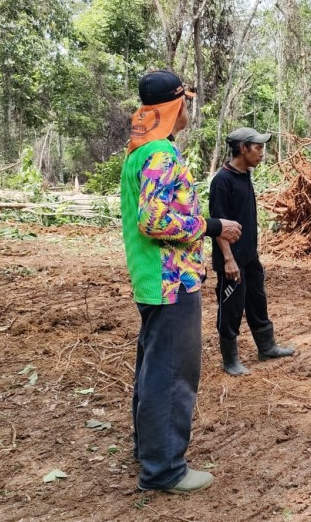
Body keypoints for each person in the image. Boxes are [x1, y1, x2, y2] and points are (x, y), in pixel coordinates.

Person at [120, 69, 242, 493]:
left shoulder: (139, 151)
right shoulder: (161, 155)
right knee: (172, 373)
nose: (188, 108)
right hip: (170, 281)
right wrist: (212, 226)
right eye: (185, 101)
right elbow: (153, 218)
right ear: (174, 106)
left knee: (154, 368)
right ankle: (165, 470)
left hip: (153, 279)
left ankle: (149, 450)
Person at [210, 127, 295, 376]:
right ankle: (230, 360)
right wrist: (228, 259)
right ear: (242, 148)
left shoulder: (244, 174)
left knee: (258, 301)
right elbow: (218, 223)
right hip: (231, 260)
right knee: (231, 306)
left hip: (249, 256)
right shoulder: (222, 181)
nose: (262, 153)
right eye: (257, 148)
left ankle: (267, 347)